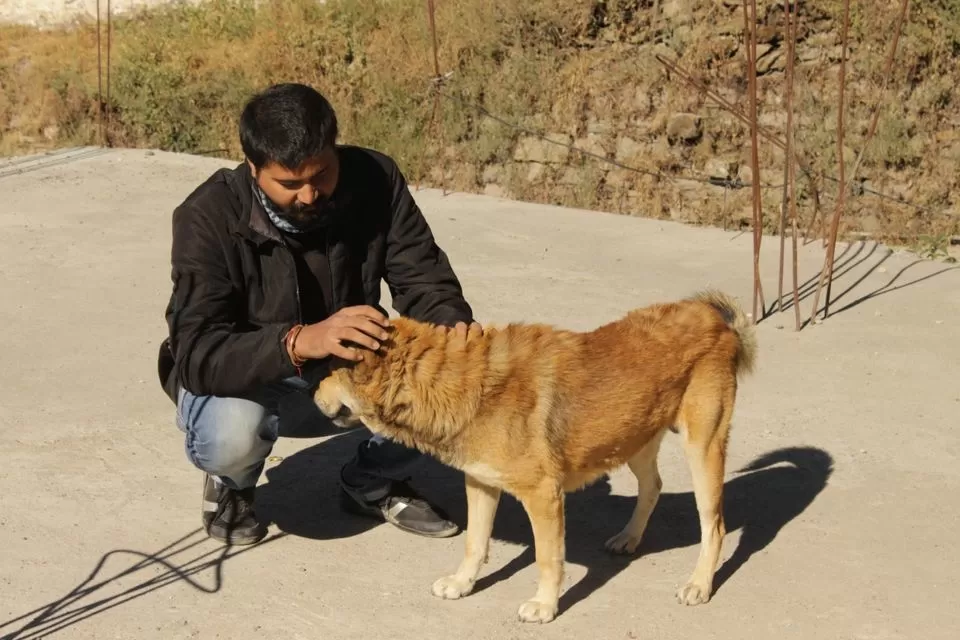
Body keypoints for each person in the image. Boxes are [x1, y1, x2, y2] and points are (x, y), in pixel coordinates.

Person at [156, 82, 480, 545]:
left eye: (322, 175)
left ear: (335, 149)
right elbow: (196, 352)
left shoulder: (375, 178)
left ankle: (373, 479)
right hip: (249, 379)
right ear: (253, 168)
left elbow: (423, 277)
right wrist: (299, 340)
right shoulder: (206, 217)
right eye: (289, 184)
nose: (309, 196)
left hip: (349, 372)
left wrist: (452, 329)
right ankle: (232, 483)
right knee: (230, 436)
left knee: (463, 389)